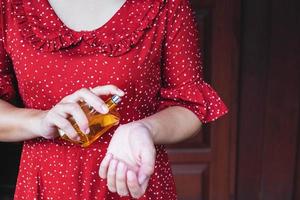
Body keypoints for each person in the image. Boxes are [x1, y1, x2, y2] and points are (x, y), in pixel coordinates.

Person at [0, 0, 228, 199]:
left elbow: (190, 107)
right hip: (46, 186)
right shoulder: (10, 6)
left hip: (133, 185)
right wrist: (40, 121)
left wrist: (145, 128)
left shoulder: (167, 4)